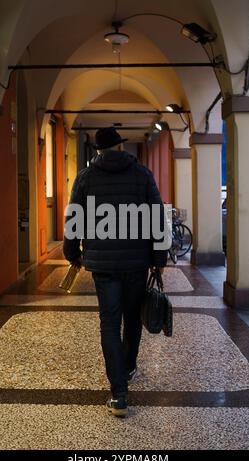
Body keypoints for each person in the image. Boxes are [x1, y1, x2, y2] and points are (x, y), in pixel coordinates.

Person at [63, 127, 168, 418]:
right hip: (136, 262)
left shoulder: (85, 177)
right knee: (132, 318)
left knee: (109, 322)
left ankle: (118, 394)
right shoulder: (142, 174)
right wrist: (159, 257)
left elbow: (75, 216)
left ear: (97, 150)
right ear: (120, 147)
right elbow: (157, 216)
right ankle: (129, 365)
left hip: (103, 265)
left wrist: (72, 253)